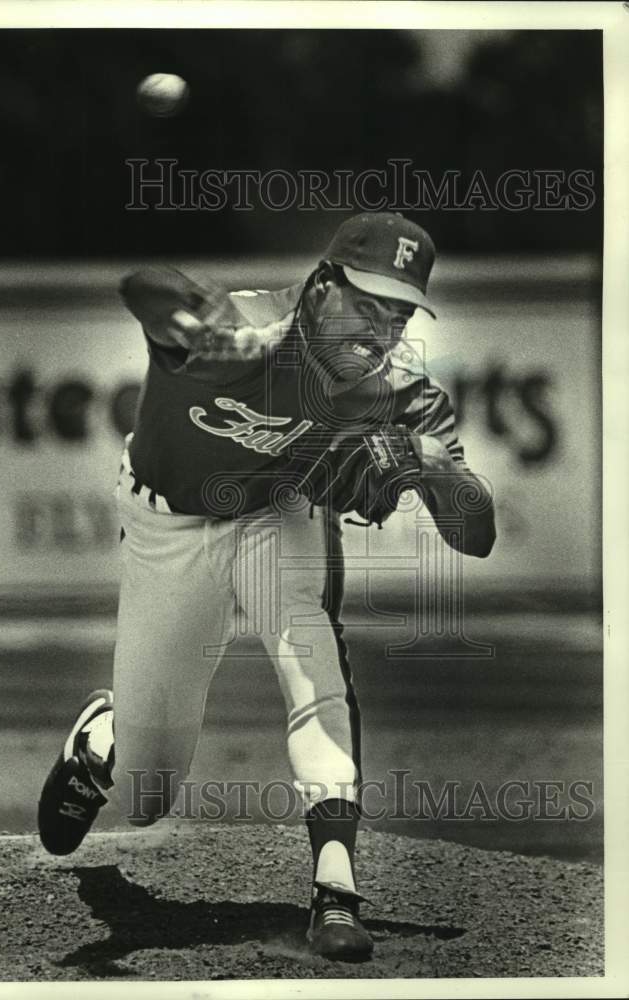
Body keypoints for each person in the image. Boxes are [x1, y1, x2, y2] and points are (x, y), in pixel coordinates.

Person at [37, 211, 496, 961]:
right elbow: (142, 288)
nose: (379, 329)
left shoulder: (402, 399)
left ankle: (335, 889)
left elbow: (473, 539)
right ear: (320, 286)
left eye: (398, 312)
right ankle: (105, 734)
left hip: (276, 515)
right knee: (149, 796)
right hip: (167, 526)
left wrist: (445, 476)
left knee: (309, 656)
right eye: (365, 303)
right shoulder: (244, 329)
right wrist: (195, 310)